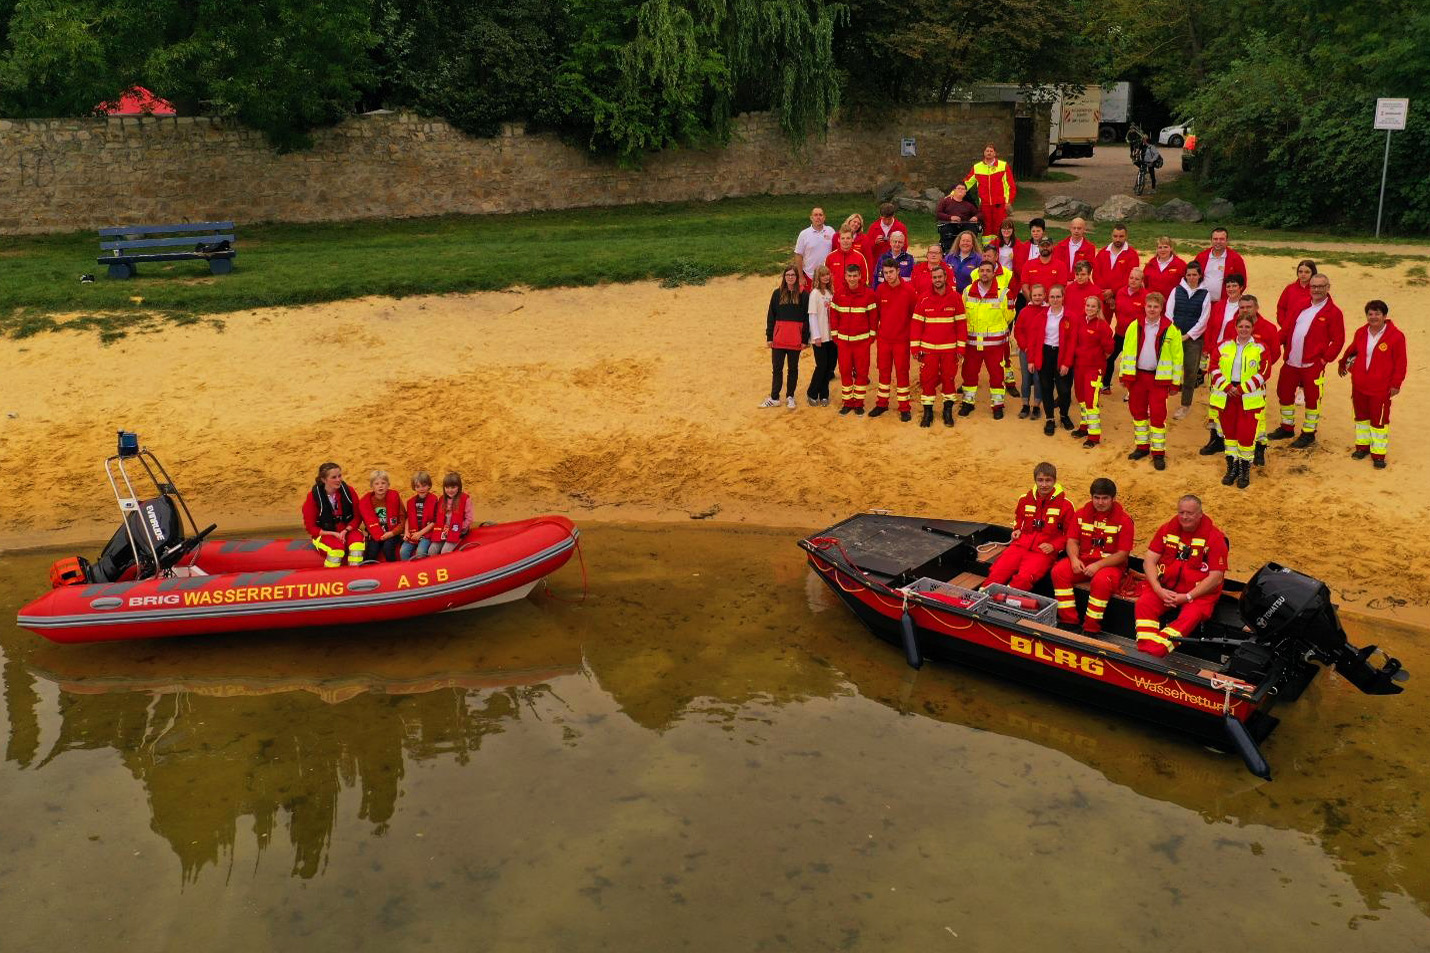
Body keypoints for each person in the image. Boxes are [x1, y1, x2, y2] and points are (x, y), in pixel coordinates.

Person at [1133, 495, 1228, 658]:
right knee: (1144, 604)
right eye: (1181, 512)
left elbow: (1216, 577)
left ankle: (1157, 650)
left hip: (1198, 595)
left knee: (1190, 617)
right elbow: (1149, 560)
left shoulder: (1215, 538)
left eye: (1190, 513)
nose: (1184, 517)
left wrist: (1188, 596)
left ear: (1200, 514)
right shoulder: (1166, 529)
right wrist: (1157, 588)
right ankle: (1145, 652)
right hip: (1165, 588)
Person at [1201, 296, 1281, 464]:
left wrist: (1254, 374)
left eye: (1249, 306)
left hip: (1253, 385)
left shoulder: (1268, 328)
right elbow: (1227, 349)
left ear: (1257, 307)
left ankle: (1259, 448)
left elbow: (1273, 355)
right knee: (1220, 414)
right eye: (1242, 307)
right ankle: (1219, 441)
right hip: (1226, 383)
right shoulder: (1232, 325)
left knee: (1257, 420)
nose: (1245, 310)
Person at [1050, 477, 1134, 633]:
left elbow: (1123, 554)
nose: (1100, 502)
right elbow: (1072, 541)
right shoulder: (1081, 514)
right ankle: (1069, 621)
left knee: (1101, 581)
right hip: (1084, 560)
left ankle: (1091, 628)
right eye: (1096, 497)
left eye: (1105, 498)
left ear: (1113, 499)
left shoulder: (1125, 521)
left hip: (1111, 566)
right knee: (1059, 571)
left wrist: (1098, 565)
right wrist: (1074, 560)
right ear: (1091, 497)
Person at [1270, 273, 1345, 448]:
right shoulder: (1300, 305)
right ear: (1309, 287)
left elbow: (1338, 340)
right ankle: (1287, 427)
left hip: (1313, 364)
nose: (1317, 290)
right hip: (1291, 361)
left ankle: (1309, 433)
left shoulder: (1334, 312)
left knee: (1312, 399)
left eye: (1321, 286)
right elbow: (1286, 329)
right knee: (1284, 393)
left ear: (1328, 288)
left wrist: (1325, 360)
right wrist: (1272, 345)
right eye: (1314, 286)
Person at [984, 461, 1074, 591]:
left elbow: (1071, 535)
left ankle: (1006, 602)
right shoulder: (1025, 499)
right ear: (1035, 481)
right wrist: (1017, 530)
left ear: (1054, 481)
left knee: (1024, 578)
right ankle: (983, 596)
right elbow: (1019, 518)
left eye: (1048, 480)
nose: (1044, 485)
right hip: (1020, 545)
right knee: (997, 571)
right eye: (1040, 480)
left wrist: (1054, 546)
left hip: (1043, 551)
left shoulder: (1066, 505)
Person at [1339, 299, 1407, 469]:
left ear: (1385, 316)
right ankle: (1362, 448)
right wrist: (1342, 362)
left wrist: (1396, 384)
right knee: (1361, 417)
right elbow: (1352, 349)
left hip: (1381, 388)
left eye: (1377, 313)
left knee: (1379, 422)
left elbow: (1401, 362)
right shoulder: (1361, 332)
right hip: (1360, 384)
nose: (1373, 317)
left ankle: (1378, 454)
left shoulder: (1396, 336)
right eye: (1370, 314)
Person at [1120, 292, 1184, 470]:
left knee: (1157, 415)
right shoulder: (1134, 326)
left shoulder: (1172, 330)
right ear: (1145, 307)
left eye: (1156, 307)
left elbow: (1178, 359)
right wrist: (1124, 375)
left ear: (1161, 308)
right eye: (1149, 306)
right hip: (1138, 377)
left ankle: (1158, 453)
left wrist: (1175, 383)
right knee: (1138, 412)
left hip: (1159, 380)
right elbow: (1127, 351)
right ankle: (1142, 447)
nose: (1152, 309)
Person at [1207, 313, 1270, 489]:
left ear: (1252, 328)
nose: (1243, 329)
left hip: (1249, 399)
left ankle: (1244, 471)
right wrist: (1228, 388)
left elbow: (1264, 373)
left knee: (1246, 435)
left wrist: (1241, 389)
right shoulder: (1223, 346)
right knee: (1230, 435)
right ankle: (1232, 468)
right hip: (1226, 397)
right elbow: (1213, 367)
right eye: (1241, 326)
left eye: (1247, 327)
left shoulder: (1260, 348)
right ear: (1235, 327)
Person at [911, 263, 966, 428]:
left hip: (949, 350)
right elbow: (916, 325)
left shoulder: (956, 297)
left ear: (945, 278)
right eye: (934, 277)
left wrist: (961, 348)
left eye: (940, 277)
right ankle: (928, 412)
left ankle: (947, 411)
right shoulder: (923, 298)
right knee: (927, 381)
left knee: (949, 381)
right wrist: (915, 347)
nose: (937, 280)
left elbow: (961, 325)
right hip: (928, 351)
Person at [960, 260, 1013, 418]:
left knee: (997, 375)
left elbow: (1009, 316)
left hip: (995, 345)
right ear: (978, 272)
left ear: (993, 273)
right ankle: (968, 403)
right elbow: (963, 314)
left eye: (988, 271)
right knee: (969, 373)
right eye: (982, 270)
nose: (984, 273)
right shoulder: (968, 291)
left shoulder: (1004, 292)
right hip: (972, 344)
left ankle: (997, 406)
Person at [1064, 295, 1115, 447]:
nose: (1090, 309)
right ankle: (1084, 427)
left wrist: (1096, 358)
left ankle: (1094, 436)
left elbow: (1109, 349)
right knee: (1081, 398)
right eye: (1088, 306)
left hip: (1094, 369)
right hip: (1080, 366)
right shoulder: (1079, 321)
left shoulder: (1102, 325)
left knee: (1091, 401)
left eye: (1093, 306)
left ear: (1098, 309)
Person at [1022, 284, 1073, 434]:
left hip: (1062, 355)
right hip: (1045, 354)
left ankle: (1064, 415)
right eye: (1052, 297)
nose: (1055, 299)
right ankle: (1050, 418)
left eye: (1058, 296)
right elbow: (1033, 340)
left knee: (1064, 390)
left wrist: (1066, 363)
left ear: (1063, 298)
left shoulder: (1070, 316)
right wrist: (1031, 360)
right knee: (1046, 387)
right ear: (1048, 298)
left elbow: (1072, 342)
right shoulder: (1041, 316)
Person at [831, 263, 878, 415]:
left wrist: (871, 336)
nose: (852, 279)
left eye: (854, 276)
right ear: (845, 276)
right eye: (849, 276)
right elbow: (834, 316)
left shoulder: (869, 294)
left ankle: (859, 403)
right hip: (843, 342)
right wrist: (835, 335)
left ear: (860, 276)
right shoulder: (838, 294)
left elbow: (873, 317)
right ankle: (847, 402)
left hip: (862, 342)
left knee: (862, 372)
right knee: (844, 371)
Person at [873, 260, 918, 420]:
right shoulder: (880, 290)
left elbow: (915, 316)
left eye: (891, 272)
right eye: (885, 273)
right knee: (883, 372)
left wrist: (913, 339)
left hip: (902, 340)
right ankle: (881, 404)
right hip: (884, 339)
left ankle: (904, 407)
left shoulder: (909, 291)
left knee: (902, 373)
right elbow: (876, 314)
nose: (888, 276)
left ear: (898, 271)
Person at [762, 265, 810, 408]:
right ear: (784, 277)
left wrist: (804, 339)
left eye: (793, 275)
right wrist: (769, 336)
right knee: (777, 368)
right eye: (788, 275)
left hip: (795, 339)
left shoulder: (803, 295)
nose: (790, 277)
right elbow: (771, 316)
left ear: (797, 277)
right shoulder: (777, 294)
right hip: (779, 339)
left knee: (793, 369)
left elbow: (807, 319)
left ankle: (790, 396)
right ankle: (775, 397)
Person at [1168, 259, 1212, 420]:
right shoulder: (1176, 290)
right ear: (1185, 276)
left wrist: (1188, 335)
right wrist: (1175, 334)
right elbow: (1169, 313)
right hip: (1174, 337)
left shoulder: (1205, 294)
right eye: (1189, 275)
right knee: (1167, 369)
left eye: (1194, 275)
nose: (1191, 277)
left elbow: (1204, 319)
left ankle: (1185, 405)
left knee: (1190, 372)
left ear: (1200, 276)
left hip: (1193, 339)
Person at [301, 462, 365, 568]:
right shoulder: (313, 498)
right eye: (334, 477)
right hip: (325, 534)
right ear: (323, 480)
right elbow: (311, 528)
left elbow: (357, 517)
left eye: (339, 476)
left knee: (357, 544)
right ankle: (330, 578)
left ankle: (355, 573)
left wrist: (346, 530)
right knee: (337, 550)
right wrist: (333, 534)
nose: (338, 479)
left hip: (347, 530)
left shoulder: (349, 491)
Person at [1107, 267, 1148, 392]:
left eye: (1137, 279)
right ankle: (1105, 385)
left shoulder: (1146, 296)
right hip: (1120, 333)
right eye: (1131, 278)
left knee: (1136, 363)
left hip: (1136, 337)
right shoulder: (1121, 292)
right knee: (1109, 357)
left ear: (1141, 281)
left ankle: (1133, 390)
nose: (1133, 281)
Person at [963, 143, 1017, 237]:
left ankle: (1000, 249)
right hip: (985, 204)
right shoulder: (977, 167)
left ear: (995, 153)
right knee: (986, 228)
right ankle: (987, 249)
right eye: (987, 151)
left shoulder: (1003, 166)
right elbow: (966, 183)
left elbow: (1010, 185)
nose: (989, 153)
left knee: (1000, 227)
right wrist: (953, 194)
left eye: (991, 151)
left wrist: (1008, 202)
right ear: (984, 153)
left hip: (1000, 204)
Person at [1012, 283, 1048, 420]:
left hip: (1041, 351)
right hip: (1026, 350)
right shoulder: (1024, 311)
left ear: (1044, 295)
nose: (1037, 297)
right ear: (1030, 296)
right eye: (1035, 295)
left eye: (1040, 295)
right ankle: (1025, 404)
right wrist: (1024, 346)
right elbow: (1019, 330)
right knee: (1026, 378)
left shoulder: (1048, 311)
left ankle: (1037, 405)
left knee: (1038, 378)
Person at [805, 265, 837, 406]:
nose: (826, 277)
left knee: (830, 366)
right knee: (821, 365)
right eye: (823, 275)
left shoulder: (830, 293)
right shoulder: (815, 294)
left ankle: (824, 394)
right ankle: (812, 392)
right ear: (817, 277)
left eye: (827, 274)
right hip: (820, 337)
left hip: (832, 336)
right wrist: (816, 336)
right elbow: (812, 316)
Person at [359, 470, 405, 562]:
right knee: (371, 551)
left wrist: (392, 533)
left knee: (387, 548)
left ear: (388, 485)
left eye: (383, 483)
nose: (380, 486)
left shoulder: (394, 497)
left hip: (392, 533)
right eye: (376, 484)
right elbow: (364, 521)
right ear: (372, 486)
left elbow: (402, 519)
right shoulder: (367, 501)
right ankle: (370, 572)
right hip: (375, 534)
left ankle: (394, 570)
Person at [1194, 227, 1249, 301]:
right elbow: (1192, 277)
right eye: (1215, 239)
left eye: (1222, 239)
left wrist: (1231, 300)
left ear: (1227, 240)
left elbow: (1242, 283)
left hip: (1223, 303)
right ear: (1211, 240)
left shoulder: (1235, 259)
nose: (1218, 242)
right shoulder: (1201, 257)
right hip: (1202, 302)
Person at [1094, 225, 1140, 310]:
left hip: (1123, 297)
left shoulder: (1132, 254)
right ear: (1111, 236)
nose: (1118, 239)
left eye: (1121, 236)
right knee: (1102, 323)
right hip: (1104, 297)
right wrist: (1105, 293)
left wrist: (1113, 291)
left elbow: (1130, 277)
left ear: (1126, 236)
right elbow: (1096, 274)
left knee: (1123, 322)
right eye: (1115, 236)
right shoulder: (1102, 253)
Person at [430, 472, 474, 555]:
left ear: (459, 487)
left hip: (458, 531)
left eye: (453, 487)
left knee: (444, 552)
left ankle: (445, 567)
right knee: (432, 550)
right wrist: (444, 529)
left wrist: (456, 529)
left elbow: (469, 519)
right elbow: (439, 519)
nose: (450, 490)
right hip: (444, 531)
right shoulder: (442, 499)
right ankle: (433, 567)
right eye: (447, 487)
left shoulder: (465, 499)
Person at [793, 207, 836, 289]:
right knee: (811, 301)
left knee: (826, 300)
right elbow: (798, 255)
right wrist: (801, 277)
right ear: (811, 218)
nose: (818, 217)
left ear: (824, 217)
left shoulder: (830, 231)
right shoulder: (804, 234)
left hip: (827, 276)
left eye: (820, 215)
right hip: (810, 276)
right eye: (815, 215)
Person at [1019, 238, 1070, 307]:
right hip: (1032, 306)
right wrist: (1033, 302)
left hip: (1053, 307)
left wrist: (1049, 304)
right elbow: (1025, 288)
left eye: (1047, 246)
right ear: (1038, 247)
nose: (1045, 248)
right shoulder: (1028, 264)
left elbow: (1060, 288)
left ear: (1052, 246)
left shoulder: (1060, 265)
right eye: (1042, 246)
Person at [400, 471, 439, 560]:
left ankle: (422, 571)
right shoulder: (410, 502)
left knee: (420, 552)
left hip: (426, 534)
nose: (421, 489)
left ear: (429, 485)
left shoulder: (433, 499)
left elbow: (434, 521)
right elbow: (408, 518)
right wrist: (406, 532)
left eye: (424, 486)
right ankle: (407, 571)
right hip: (413, 534)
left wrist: (420, 533)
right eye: (418, 486)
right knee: (403, 551)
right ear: (414, 487)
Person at [935, 182, 981, 253]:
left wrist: (976, 217)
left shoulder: (968, 205)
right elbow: (938, 214)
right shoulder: (946, 201)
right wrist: (950, 217)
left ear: (965, 192)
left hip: (964, 226)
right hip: (949, 225)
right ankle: (949, 252)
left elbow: (979, 213)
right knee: (947, 230)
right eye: (959, 188)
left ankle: (970, 251)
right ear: (954, 191)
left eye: (963, 189)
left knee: (971, 229)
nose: (960, 190)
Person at [1142, 235, 1187, 300]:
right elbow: (1144, 285)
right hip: (1153, 305)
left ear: (1171, 248)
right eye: (1160, 247)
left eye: (1165, 247)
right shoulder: (1150, 265)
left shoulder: (1180, 264)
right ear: (1157, 249)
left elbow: (1186, 285)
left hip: (1172, 303)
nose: (1163, 250)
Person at [1276, 260, 1317, 330]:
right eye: (1300, 272)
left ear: (1312, 273)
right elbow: (1281, 307)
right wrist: (1284, 324)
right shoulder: (1290, 288)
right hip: (1288, 329)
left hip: (1310, 330)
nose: (1303, 274)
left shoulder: (1317, 290)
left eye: (1307, 272)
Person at [1063, 260, 1104, 326]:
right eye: (1077, 274)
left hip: (1086, 327)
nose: (1079, 277)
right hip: (1070, 326)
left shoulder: (1096, 292)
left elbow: (1099, 315)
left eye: (1083, 274)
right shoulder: (1068, 289)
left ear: (1089, 274)